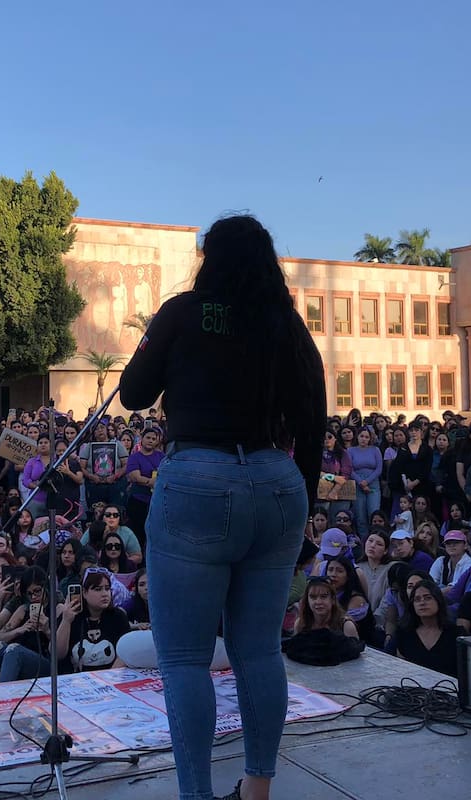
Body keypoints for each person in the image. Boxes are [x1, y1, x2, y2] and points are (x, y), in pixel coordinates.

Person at [120, 214, 325, 800]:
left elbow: (133, 394)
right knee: (259, 650)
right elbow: (314, 414)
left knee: (184, 658)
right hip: (276, 481)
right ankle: (257, 789)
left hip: (198, 480)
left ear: (210, 257)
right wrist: (303, 499)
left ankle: (197, 796)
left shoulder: (184, 311)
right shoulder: (282, 323)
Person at [55, 566, 132, 672]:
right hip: (75, 680)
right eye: (98, 589)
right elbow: (58, 654)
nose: (105, 594)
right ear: (85, 593)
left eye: (107, 588)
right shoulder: (71, 616)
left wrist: (109, 678)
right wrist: (66, 621)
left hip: (109, 678)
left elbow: (125, 654)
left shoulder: (118, 616)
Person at [394, 579, 460, 677]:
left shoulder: (457, 634)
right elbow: (401, 669)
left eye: (428, 598)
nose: (422, 603)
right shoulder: (404, 633)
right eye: (417, 599)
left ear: (438, 600)